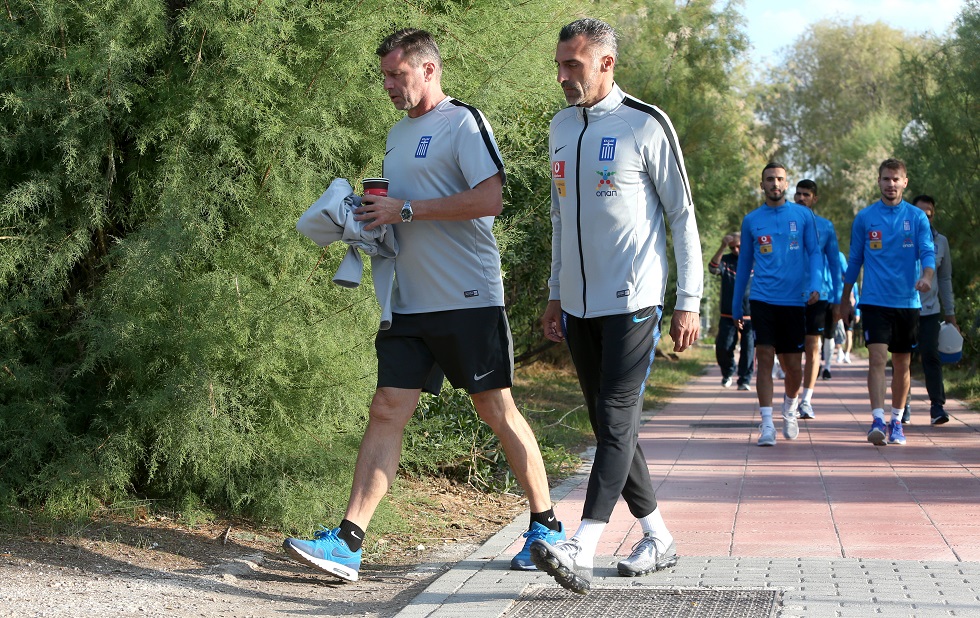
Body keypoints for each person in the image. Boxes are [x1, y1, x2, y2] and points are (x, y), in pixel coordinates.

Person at [283, 28, 564, 582]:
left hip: (467, 299)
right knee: (387, 408)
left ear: (428, 69)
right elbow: (401, 210)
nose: (388, 85)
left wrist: (405, 210)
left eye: (397, 74)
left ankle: (546, 526)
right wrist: (368, 219)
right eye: (384, 76)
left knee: (496, 410)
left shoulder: (464, 123)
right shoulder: (396, 133)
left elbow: (490, 198)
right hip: (408, 301)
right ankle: (348, 543)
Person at [533, 18, 702, 595]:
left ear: (606, 63)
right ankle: (658, 537)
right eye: (559, 65)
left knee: (614, 416)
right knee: (612, 424)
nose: (563, 76)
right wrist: (556, 292)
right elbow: (560, 217)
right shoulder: (559, 127)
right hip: (578, 304)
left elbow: (682, 216)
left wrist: (688, 301)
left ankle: (582, 545)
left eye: (573, 65)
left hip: (634, 299)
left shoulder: (645, 124)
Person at [842, 159, 935, 446]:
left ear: (905, 182)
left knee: (902, 364)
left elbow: (927, 252)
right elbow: (854, 260)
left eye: (896, 179)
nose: (890, 184)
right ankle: (877, 420)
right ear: (879, 181)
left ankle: (897, 421)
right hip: (874, 301)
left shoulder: (917, 218)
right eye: (886, 179)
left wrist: (927, 276)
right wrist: (844, 299)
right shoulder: (865, 218)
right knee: (877, 358)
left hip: (907, 302)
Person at [732, 163, 822, 447]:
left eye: (780, 179)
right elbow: (744, 264)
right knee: (764, 357)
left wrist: (816, 284)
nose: (775, 183)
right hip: (762, 298)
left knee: (793, 367)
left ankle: (790, 408)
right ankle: (767, 423)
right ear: (762, 185)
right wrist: (737, 304)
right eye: (769, 179)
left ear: (786, 183)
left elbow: (814, 252)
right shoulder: (752, 220)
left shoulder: (803, 215)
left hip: (793, 300)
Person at [905, 194, 957, 425]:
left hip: (930, 310)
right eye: (920, 214)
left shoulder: (941, 242)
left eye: (929, 215)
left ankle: (937, 406)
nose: (924, 218)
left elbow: (944, 279)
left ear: (933, 216)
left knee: (931, 356)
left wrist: (950, 314)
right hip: (903, 308)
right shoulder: (901, 236)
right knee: (903, 358)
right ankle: (903, 406)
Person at [793, 180, 841, 419]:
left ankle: (806, 400)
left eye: (806, 195)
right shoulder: (785, 223)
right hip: (788, 296)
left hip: (817, 296)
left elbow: (834, 264)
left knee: (813, 347)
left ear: (814, 198)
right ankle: (791, 397)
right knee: (790, 352)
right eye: (798, 194)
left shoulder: (825, 227)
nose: (802, 198)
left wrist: (839, 299)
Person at [709, 234, 754, 390]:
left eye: (739, 246)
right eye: (732, 247)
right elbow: (713, 268)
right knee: (723, 347)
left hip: (750, 313)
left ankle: (744, 379)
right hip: (727, 313)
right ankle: (728, 372)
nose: (736, 250)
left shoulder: (755, 260)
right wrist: (722, 246)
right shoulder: (726, 260)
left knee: (748, 348)